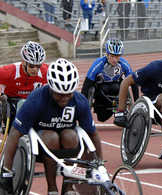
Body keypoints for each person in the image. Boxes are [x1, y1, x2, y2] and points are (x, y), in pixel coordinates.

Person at [0, 58, 103, 195]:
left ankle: (68, 187)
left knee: (71, 136)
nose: (65, 98)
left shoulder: (80, 101)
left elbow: (93, 134)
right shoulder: (36, 100)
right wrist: (6, 169)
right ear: (51, 88)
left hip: (67, 140)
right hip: (41, 142)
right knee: (51, 137)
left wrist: (100, 165)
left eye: (69, 93)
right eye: (59, 94)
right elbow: (14, 134)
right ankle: (52, 188)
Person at [81, 38, 139, 122]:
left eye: (117, 56)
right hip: (101, 91)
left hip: (116, 89)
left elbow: (133, 82)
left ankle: (119, 111)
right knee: (105, 90)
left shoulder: (124, 64)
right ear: (107, 54)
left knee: (117, 86)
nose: (115, 60)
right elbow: (87, 85)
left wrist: (137, 102)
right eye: (112, 56)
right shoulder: (98, 63)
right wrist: (83, 105)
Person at [0, 41, 48, 129]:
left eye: (38, 66)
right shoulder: (9, 72)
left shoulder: (45, 71)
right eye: (31, 66)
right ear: (23, 62)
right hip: (11, 103)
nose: (35, 70)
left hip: (33, 101)